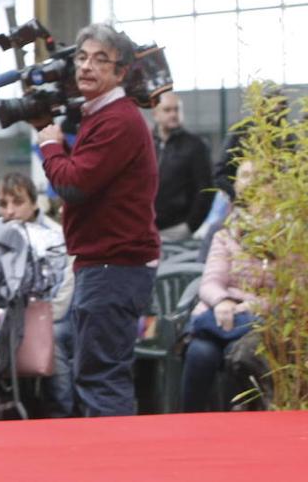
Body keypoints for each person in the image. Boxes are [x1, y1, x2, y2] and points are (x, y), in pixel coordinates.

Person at [36, 23, 160, 417]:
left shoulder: (118, 120)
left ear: (122, 72)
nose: (87, 67)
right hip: (105, 265)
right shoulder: (104, 115)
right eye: (82, 57)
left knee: (101, 380)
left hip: (113, 267)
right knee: (97, 376)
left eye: (100, 60)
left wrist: (50, 145)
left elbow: (74, 184)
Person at [181, 160, 273, 412]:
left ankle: (235, 429)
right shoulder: (225, 231)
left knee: (239, 354)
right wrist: (222, 301)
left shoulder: (287, 234)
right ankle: (188, 425)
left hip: (261, 321)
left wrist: (249, 305)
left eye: (258, 177)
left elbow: (290, 293)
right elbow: (210, 281)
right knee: (200, 353)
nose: (250, 182)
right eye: (244, 176)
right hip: (221, 315)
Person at [0, 172, 74, 418]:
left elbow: (64, 291)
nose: (9, 211)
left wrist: (40, 319)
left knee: (52, 339)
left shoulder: (57, 235)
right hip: (4, 316)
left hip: (50, 315)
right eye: (3, 204)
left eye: (17, 203)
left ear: (34, 203)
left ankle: (62, 413)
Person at [151, 93, 212, 241]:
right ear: (155, 114)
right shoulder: (145, 144)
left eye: (177, 109)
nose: (173, 114)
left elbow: (205, 190)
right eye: (167, 110)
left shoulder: (195, 146)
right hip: (146, 229)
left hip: (178, 230)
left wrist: (190, 226)